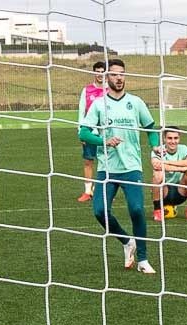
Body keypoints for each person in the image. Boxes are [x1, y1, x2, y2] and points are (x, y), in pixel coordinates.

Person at [78, 58, 159, 275]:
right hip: (107, 168)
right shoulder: (98, 105)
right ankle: (126, 241)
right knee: (99, 211)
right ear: (106, 78)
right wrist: (104, 141)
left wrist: (155, 147)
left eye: (122, 73)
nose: (119, 78)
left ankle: (142, 259)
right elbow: (83, 132)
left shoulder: (136, 102)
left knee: (137, 209)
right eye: (114, 74)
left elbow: (151, 128)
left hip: (132, 166)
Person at [76, 61, 108, 203]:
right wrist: (80, 131)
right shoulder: (87, 90)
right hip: (90, 132)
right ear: (94, 73)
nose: (100, 74)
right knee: (88, 161)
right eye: (98, 71)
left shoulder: (110, 90)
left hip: (106, 133)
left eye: (103, 71)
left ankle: (102, 190)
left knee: (106, 162)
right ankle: (87, 191)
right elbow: (82, 111)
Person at [152, 127, 187, 222]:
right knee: (158, 174)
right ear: (164, 139)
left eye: (175, 138)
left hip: (180, 191)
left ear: (179, 138)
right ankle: (157, 210)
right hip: (164, 193)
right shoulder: (158, 150)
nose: (173, 141)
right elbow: (157, 165)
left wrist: (167, 163)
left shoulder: (184, 149)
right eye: (170, 138)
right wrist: (183, 168)